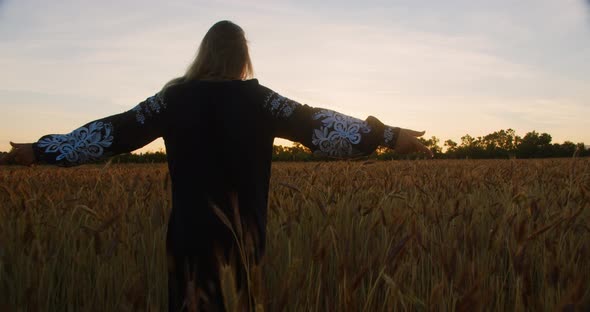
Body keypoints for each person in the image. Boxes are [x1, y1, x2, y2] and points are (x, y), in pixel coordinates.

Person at [1, 20, 433, 311]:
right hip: (244, 242)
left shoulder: (173, 100)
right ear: (243, 58)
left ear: (204, 54)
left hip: (187, 242)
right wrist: (390, 136)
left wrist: (42, 151)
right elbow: (321, 126)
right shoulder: (260, 101)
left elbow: (112, 133)